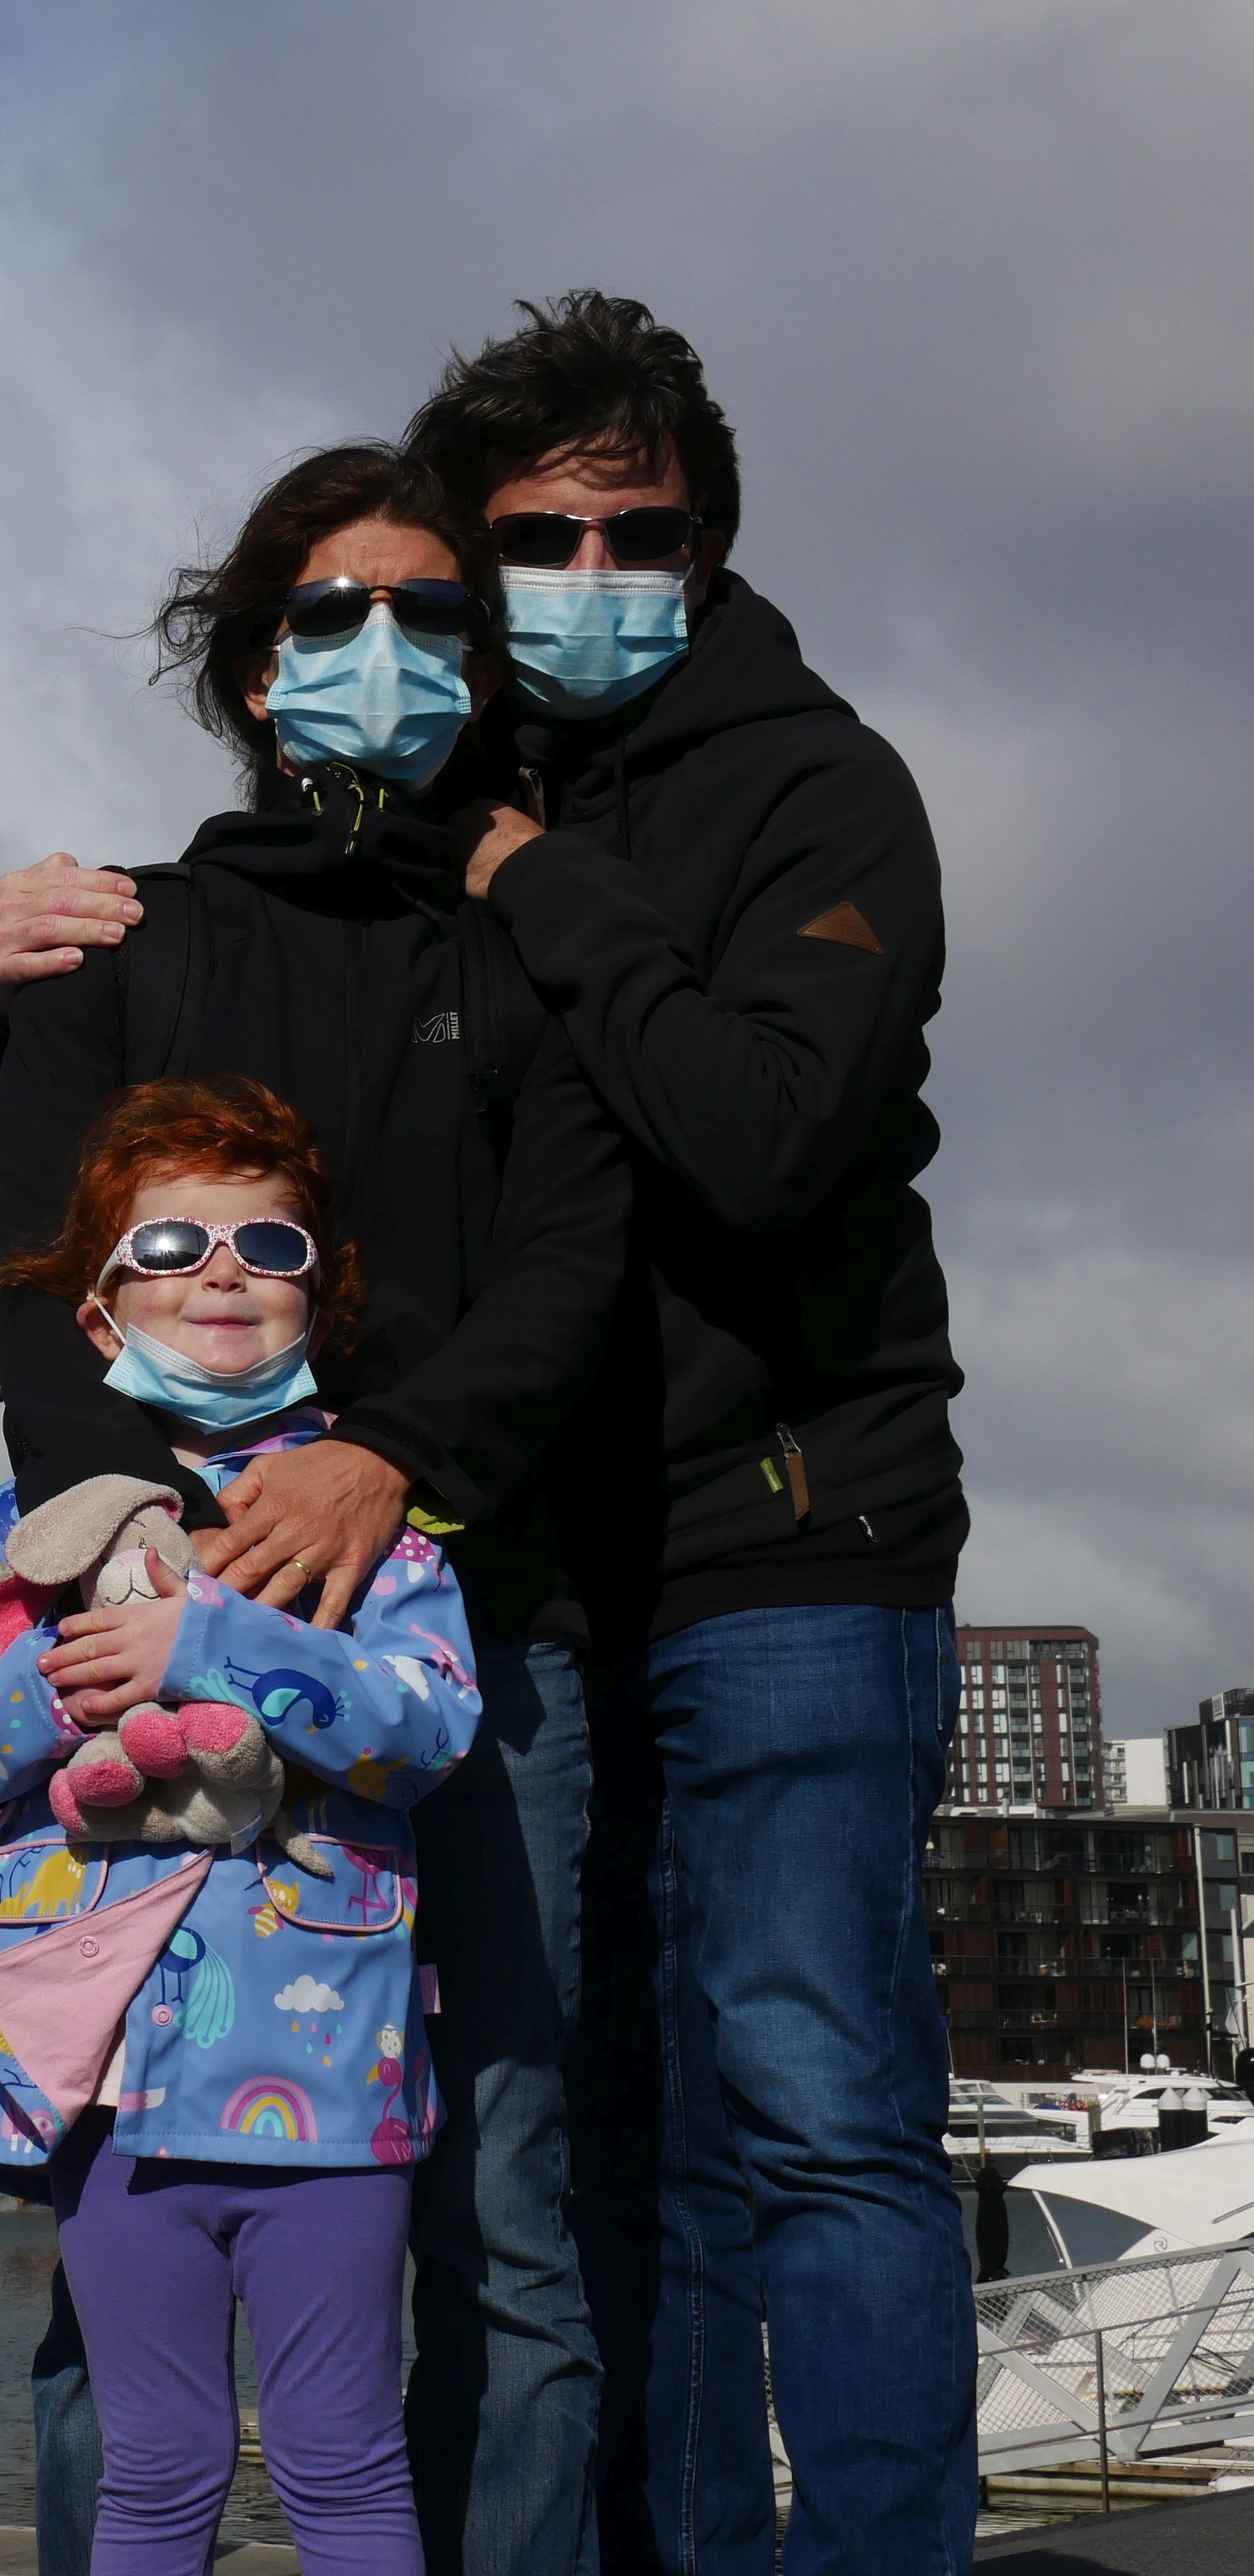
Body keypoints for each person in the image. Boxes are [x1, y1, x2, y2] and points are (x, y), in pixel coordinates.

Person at [0, 448, 627, 2576]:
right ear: (255, 665)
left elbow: (574, 1259)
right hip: (143, 1618)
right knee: (120, 2189)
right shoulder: (118, 941)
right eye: (334, 612)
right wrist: (153, 1554)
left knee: (504, 2201)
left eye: (433, 614)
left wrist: (384, 1455)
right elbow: (47, 1277)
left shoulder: (530, 952)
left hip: (475, 1631)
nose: (383, 651)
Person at [404, 294, 974, 2575]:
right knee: (611, 2135)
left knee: (821, 2110)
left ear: (710, 542)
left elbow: (760, 1136)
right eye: (536, 539)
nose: (590, 575)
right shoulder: (448, 790)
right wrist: (5, 985)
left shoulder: (823, 791)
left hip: (798, 1534)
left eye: (634, 533)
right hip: (545, 1573)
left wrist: (545, 886)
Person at [0, 1074, 482, 2576]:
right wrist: (60, 1681)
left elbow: (426, 1728)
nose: (220, 1270)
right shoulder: (17, 1522)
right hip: (105, 2091)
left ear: (318, 1302)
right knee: (154, 2462)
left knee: (346, 2456)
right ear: (98, 1316)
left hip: (331, 2083)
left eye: (268, 1245)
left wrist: (209, 1642)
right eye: (169, 1244)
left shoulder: (373, 1521)